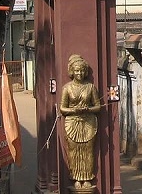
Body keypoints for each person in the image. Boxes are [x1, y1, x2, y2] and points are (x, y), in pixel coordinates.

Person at [59, 54, 101, 189]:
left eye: (82, 71)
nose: (79, 73)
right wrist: (74, 110)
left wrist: (88, 109)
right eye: (77, 70)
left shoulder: (90, 87)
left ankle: (87, 177)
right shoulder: (67, 88)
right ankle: (76, 177)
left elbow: (98, 106)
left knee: (88, 151)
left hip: (88, 122)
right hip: (72, 122)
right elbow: (62, 108)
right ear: (72, 71)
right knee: (74, 151)